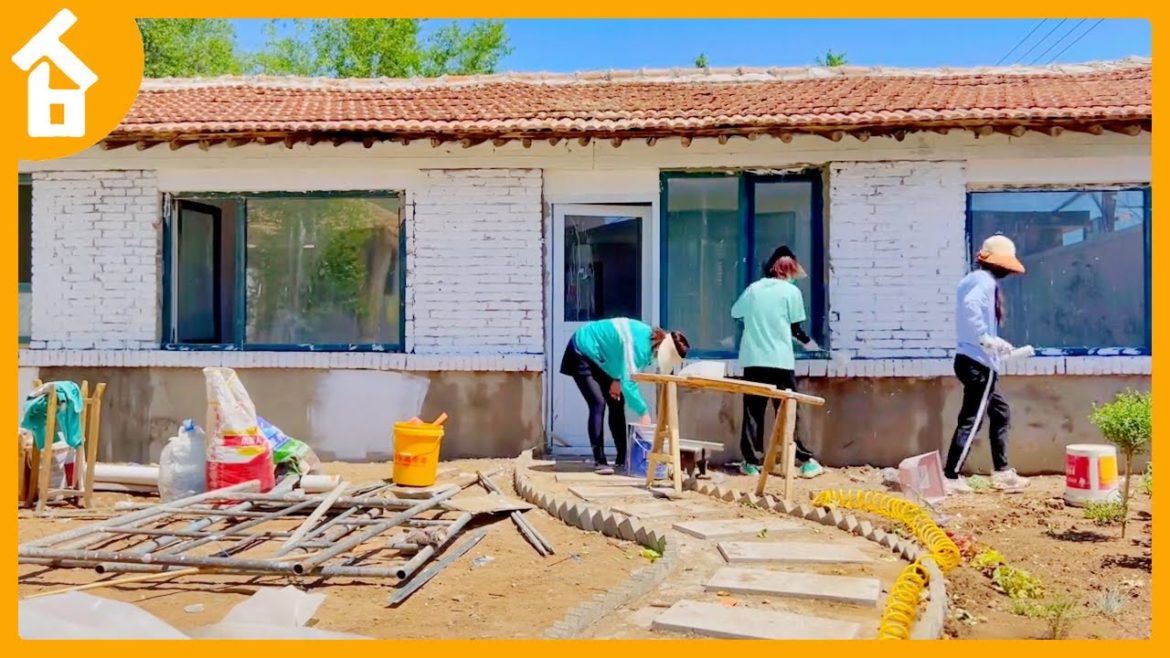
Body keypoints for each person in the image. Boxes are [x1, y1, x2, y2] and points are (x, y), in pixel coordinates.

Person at [943, 235, 1030, 494]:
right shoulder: (985, 281)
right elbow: (971, 307)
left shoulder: (970, 279)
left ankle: (1002, 472)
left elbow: (970, 309)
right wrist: (985, 338)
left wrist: (994, 343)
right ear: (1000, 264)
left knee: (1000, 413)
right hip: (979, 363)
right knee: (972, 420)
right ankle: (950, 476)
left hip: (968, 359)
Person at [731, 246, 825, 478]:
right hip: (781, 361)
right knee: (790, 409)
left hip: (754, 361)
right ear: (789, 271)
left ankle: (751, 463)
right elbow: (796, 329)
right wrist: (811, 345)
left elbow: (736, 313)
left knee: (753, 411)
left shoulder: (753, 289)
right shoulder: (791, 292)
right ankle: (806, 461)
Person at [559, 318, 690, 474]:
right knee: (598, 403)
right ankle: (599, 460)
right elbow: (629, 382)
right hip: (581, 349)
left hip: (603, 357)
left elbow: (621, 360)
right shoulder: (639, 344)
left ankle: (622, 457)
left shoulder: (651, 343)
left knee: (616, 402)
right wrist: (643, 412)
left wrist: (617, 379)